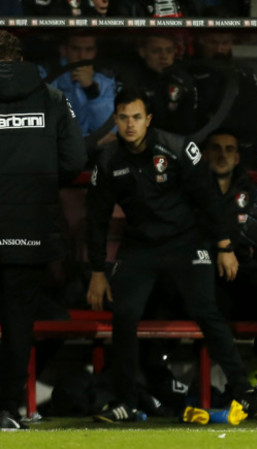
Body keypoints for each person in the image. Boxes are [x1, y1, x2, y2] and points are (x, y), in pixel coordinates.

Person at [85, 87, 254, 422]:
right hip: (140, 247)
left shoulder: (178, 148)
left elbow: (208, 198)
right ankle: (125, 402)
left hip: (187, 242)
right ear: (115, 120)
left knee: (207, 310)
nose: (130, 124)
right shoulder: (107, 160)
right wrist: (97, 270)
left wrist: (223, 246)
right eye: (123, 118)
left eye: (136, 117)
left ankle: (246, 392)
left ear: (148, 119)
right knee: (125, 314)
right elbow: (96, 219)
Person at [0, 30, 87, 430]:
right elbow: (74, 160)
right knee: (18, 321)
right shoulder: (52, 98)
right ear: (20, 57)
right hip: (29, 226)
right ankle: (5, 409)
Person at [200, 129, 257, 320]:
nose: (222, 155)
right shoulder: (193, 189)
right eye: (216, 149)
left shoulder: (251, 191)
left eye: (229, 150)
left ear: (237, 158)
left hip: (243, 269)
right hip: (203, 268)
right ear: (205, 154)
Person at [188, 31, 257, 170]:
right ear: (201, 41)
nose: (219, 49)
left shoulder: (243, 75)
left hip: (237, 151)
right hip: (197, 149)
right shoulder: (187, 74)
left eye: (225, 43)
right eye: (213, 43)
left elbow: (253, 118)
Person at [43, 32, 116, 152]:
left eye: (89, 49)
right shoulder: (47, 74)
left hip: (95, 151)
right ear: (64, 50)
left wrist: (91, 90)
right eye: (75, 49)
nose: (82, 56)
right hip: (56, 150)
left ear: (95, 51)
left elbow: (108, 132)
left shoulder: (106, 80)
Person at [118, 33, 197, 136]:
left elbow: (191, 122)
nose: (164, 56)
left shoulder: (184, 81)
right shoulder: (130, 80)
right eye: (156, 51)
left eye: (169, 51)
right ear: (142, 52)